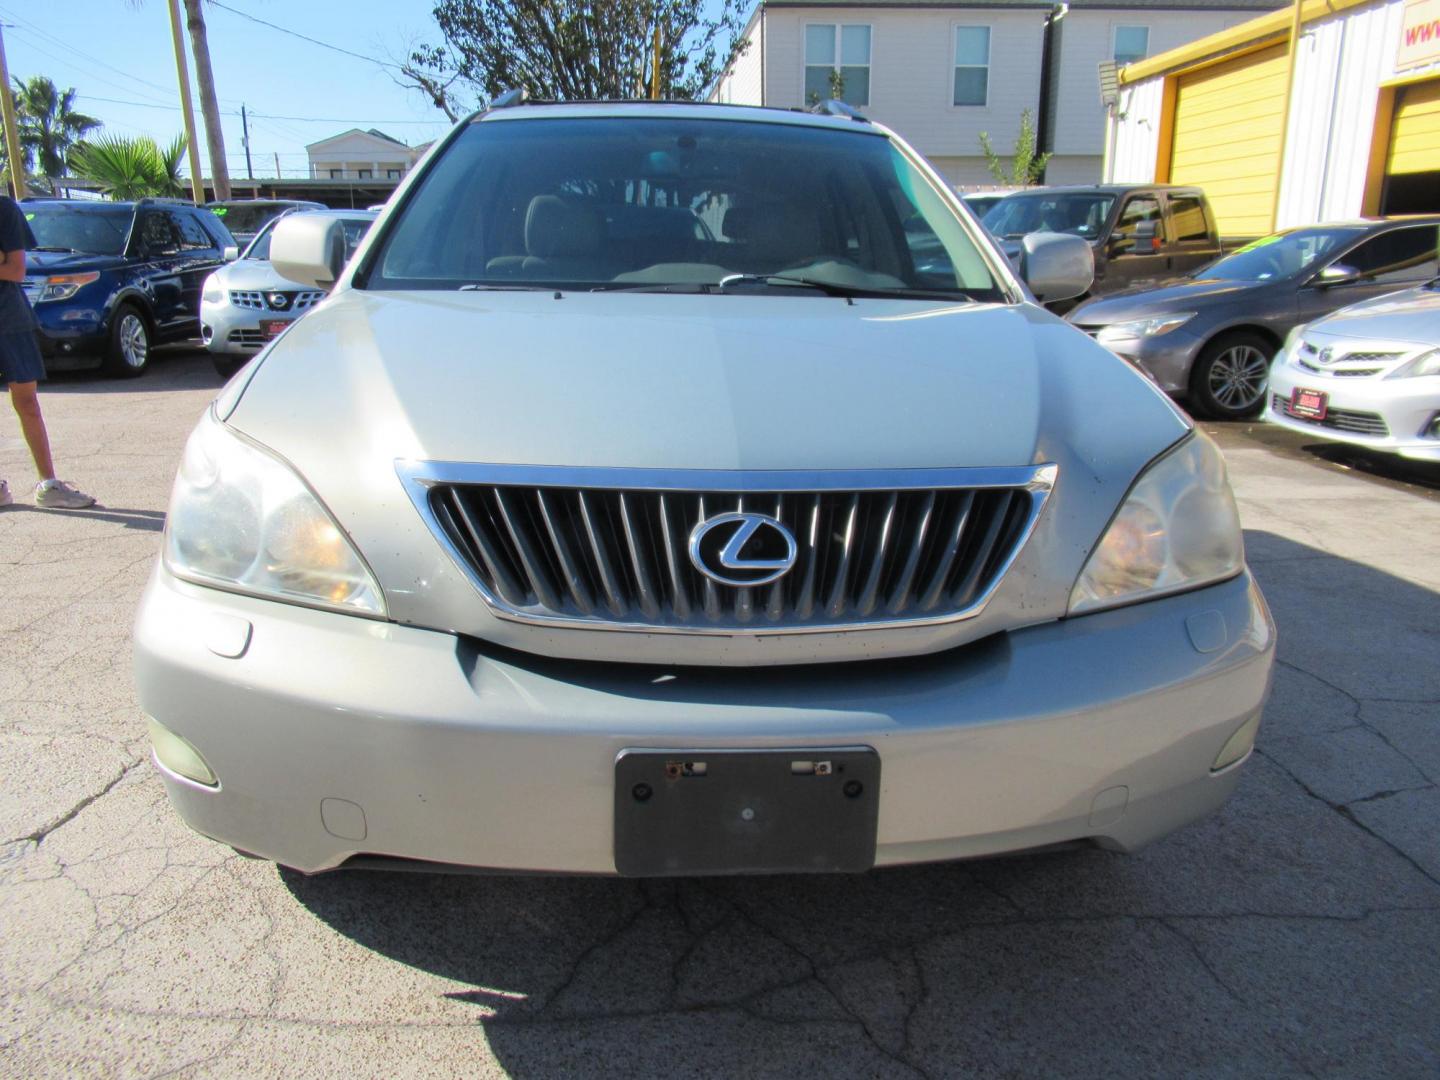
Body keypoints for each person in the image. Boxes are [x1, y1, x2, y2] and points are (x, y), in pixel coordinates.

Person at [0, 194, 94, 510]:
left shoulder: (4, 209)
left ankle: (49, 485)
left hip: (9, 320)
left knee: (26, 401)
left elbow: (15, 269)